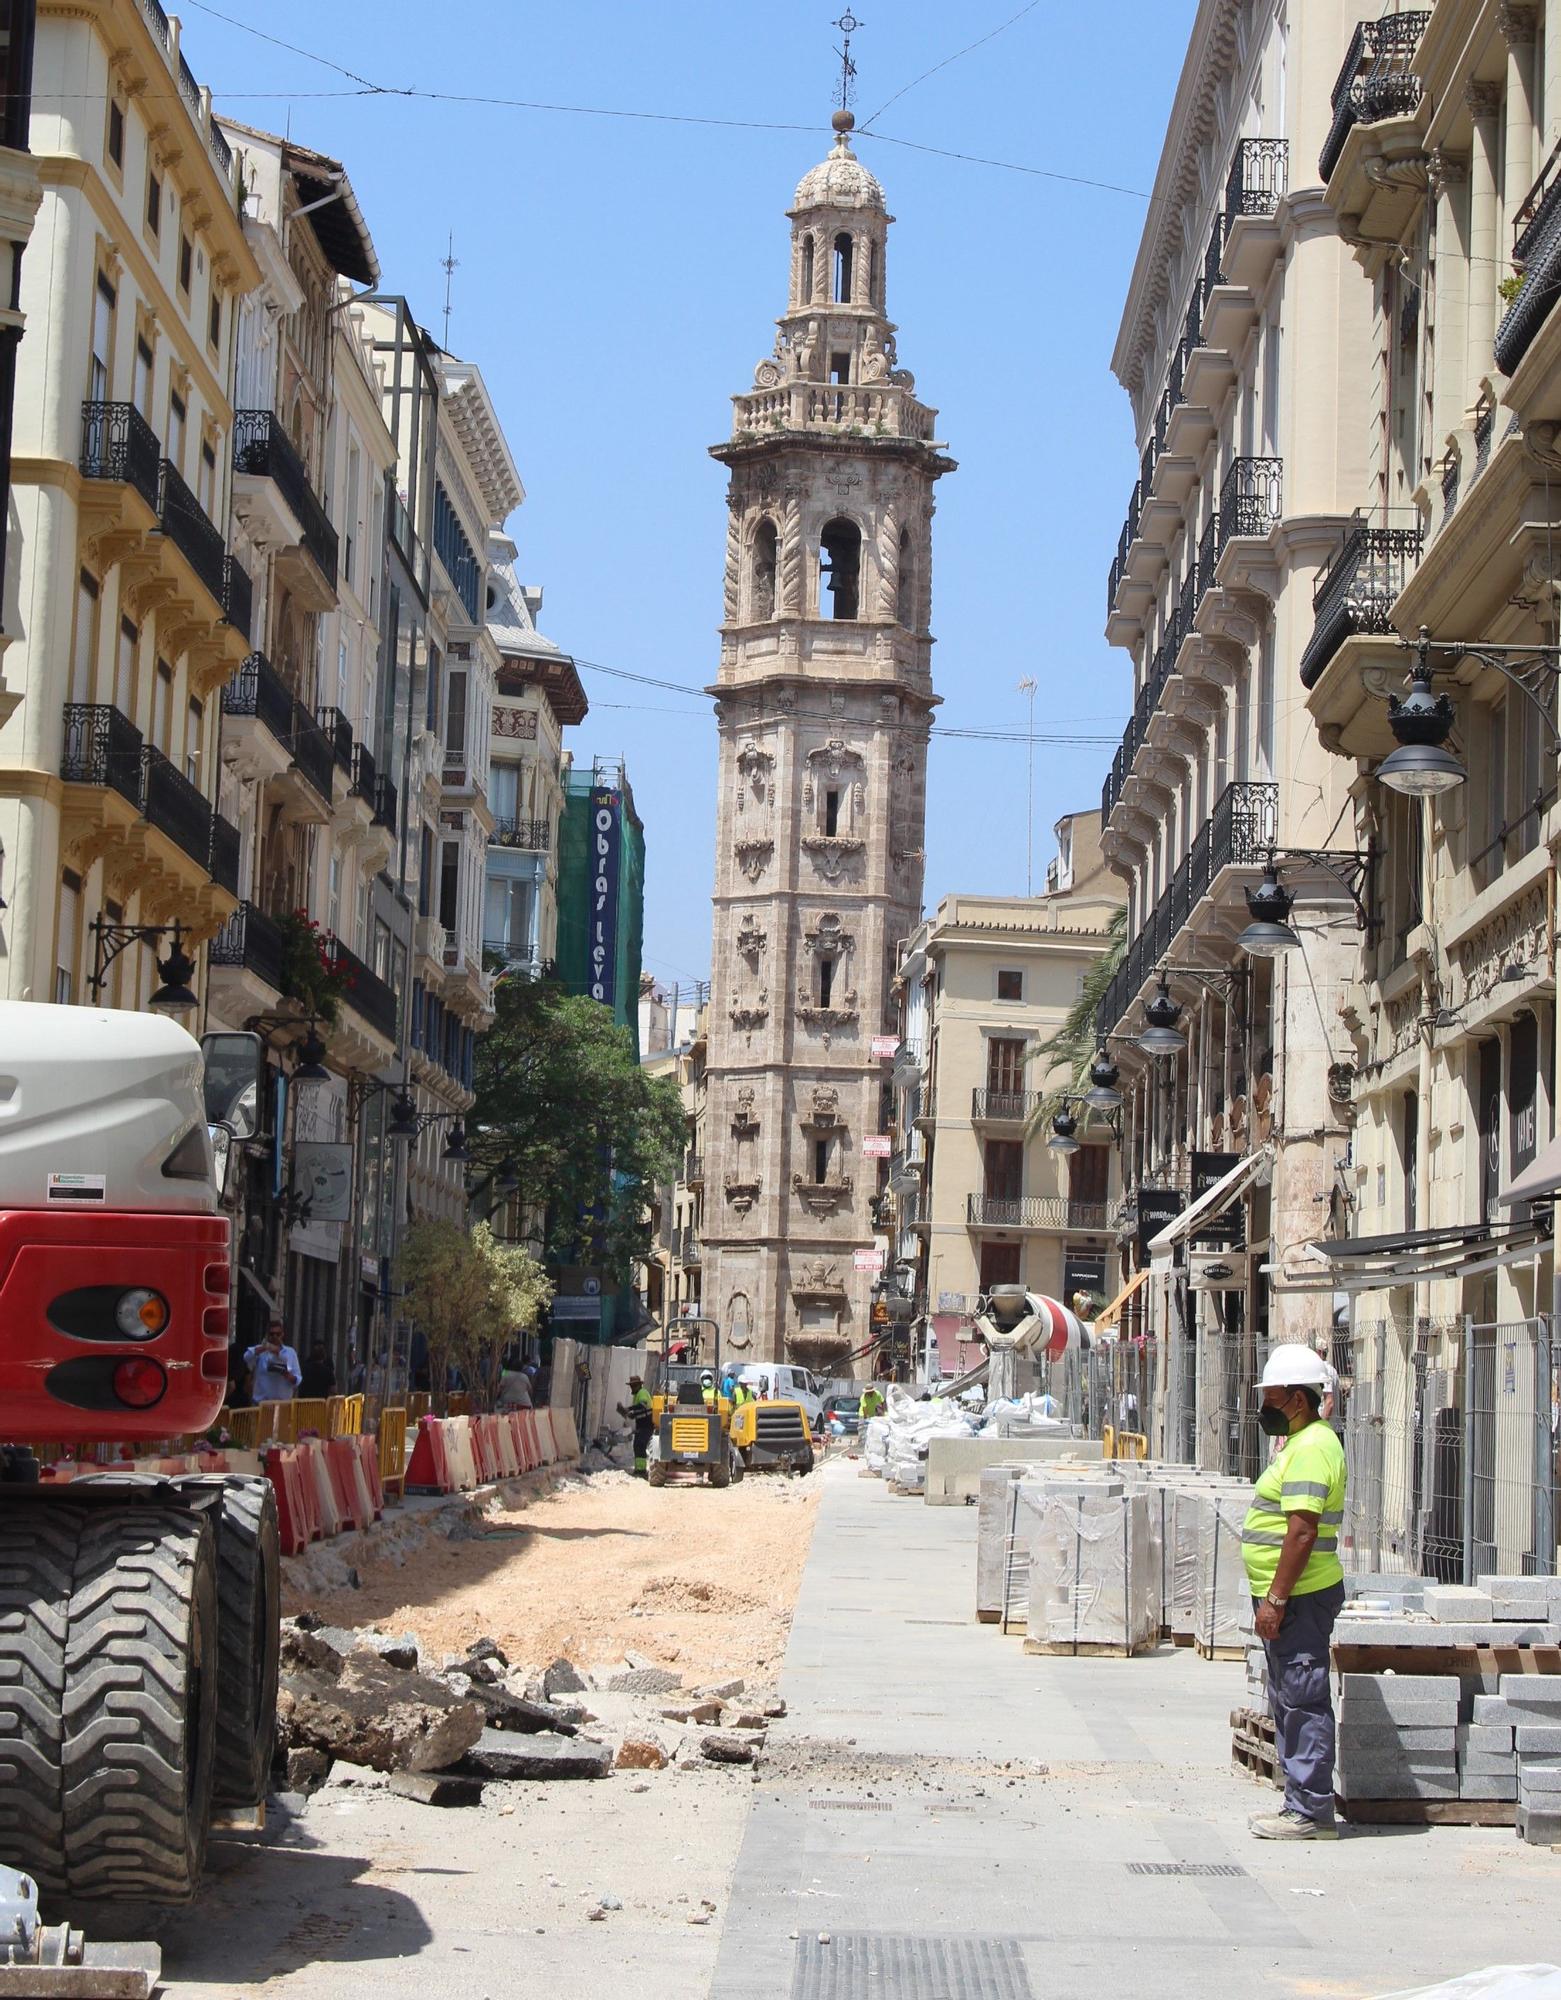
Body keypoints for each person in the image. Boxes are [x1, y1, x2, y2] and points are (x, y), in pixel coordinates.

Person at [1243, 1344, 1348, 1841]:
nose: (1265, 1405)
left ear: (1299, 1400)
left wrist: (1276, 1600)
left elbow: (1301, 1532)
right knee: (1289, 1697)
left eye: (1272, 1395)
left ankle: (1310, 1811)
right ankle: (1298, 1804)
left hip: (1299, 1598)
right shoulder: (1302, 1442)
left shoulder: (1311, 1448)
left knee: (1303, 1698)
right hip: (1293, 1596)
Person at [244, 1322, 302, 1404]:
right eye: (272, 1334)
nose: (275, 1337)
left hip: (282, 1404)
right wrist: (266, 1347)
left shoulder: (290, 1352)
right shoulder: (261, 1350)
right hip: (261, 1403)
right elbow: (246, 1357)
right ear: (267, 1335)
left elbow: (298, 1378)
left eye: (278, 1334)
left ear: (282, 1335)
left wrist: (287, 1375)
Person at [617, 1374, 654, 1477]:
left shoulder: (642, 1393)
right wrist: (630, 1414)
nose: (631, 1388)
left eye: (633, 1386)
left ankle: (641, 1470)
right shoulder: (637, 1395)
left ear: (638, 1385)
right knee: (638, 1446)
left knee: (640, 1445)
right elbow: (639, 1412)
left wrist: (628, 1409)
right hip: (642, 1425)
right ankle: (639, 1469)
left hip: (646, 1425)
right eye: (631, 1386)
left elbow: (642, 1406)